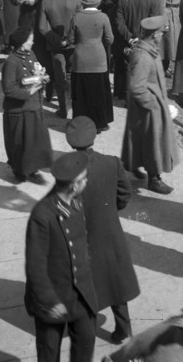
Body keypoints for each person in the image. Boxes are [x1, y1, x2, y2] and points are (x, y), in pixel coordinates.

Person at [65, 117, 140, 345]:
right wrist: (110, 211)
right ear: (93, 139)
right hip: (109, 232)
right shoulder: (111, 163)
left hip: (81, 237)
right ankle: (123, 328)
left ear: (71, 144)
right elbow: (125, 194)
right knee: (115, 281)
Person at [24, 152, 98, 362]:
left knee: (86, 343)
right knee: (49, 352)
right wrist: (49, 301)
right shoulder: (42, 215)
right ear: (74, 186)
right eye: (84, 179)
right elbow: (35, 265)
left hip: (80, 294)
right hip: (53, 297)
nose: (86, 181)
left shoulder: (76, 201)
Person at [122, 16, 179, 195]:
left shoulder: (148, 51)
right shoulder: (143, 56)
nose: (163, 36)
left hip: (146, 108)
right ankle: (154, 179)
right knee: (153, 143)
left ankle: (132, 164)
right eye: (162, 32)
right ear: (154, 34)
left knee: (139, 140)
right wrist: (155, 105)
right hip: (148, 109)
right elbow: (136, 87)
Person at [1, 26, 53, 183]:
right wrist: (29, 92)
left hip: (34, 106)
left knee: (35, 142)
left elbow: (35, 73)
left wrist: (42, 78)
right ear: (23, 43)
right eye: (30, 39)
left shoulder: (30, 54)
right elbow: (8, 89)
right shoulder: (11, 62)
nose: (33, 42)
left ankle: (32, 169)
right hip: (19, 110)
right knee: (20, 143)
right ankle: (21, 171)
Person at [68, 0, 114, 131]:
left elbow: (71, 39)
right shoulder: (103, 17)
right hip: (98, 58)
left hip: (80, 58)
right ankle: (100, 123)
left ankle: (81, 123)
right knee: (98, 92)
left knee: (81, 94)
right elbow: (109, 39)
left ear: (83, 2)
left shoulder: (76, 17)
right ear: (98, 2)